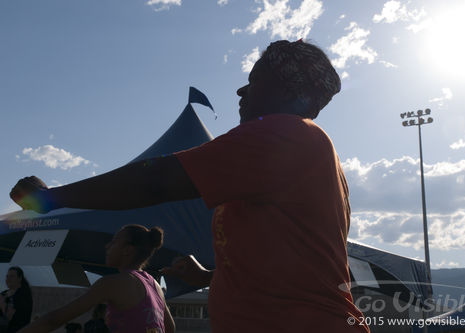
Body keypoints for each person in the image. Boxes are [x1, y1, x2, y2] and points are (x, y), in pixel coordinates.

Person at [10, 39, 369, 332]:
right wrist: (212, 275)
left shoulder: (285, 135)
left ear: (293, 92)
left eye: (256, 78)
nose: (242, 89)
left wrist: (49, 199)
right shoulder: (313, 156)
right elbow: (300, 265)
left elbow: (155, 181)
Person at [17, 225, 175, 333]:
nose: (107, 246)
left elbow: (54, 320)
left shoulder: (113, 283)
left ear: (127, 250)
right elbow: (170, 328)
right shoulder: (154, 285)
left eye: (114, 242)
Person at [0, 267, 33, 333]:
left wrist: (1, 302)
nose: (8, 279)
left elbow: (12, 318)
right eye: (7, 276)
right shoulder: (3, 294)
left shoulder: (23, 295)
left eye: (12, 276)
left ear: (20, 278)